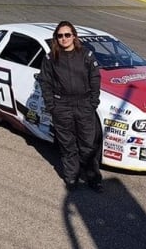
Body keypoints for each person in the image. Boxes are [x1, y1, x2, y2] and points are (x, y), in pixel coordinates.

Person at [38, 21, 103, 193]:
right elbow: (45, 82)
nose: (64, 38)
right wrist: (52, 105)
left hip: (84, 105)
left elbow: (95, 79)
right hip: (62, 106)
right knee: (68, 145)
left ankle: (93, 178)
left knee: (88, 145)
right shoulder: (51, 58)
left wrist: (93, 103)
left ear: (74, 36)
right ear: (56, 38)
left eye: (67, 35)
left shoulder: (86, 55)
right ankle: (71, 178)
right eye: (60, 36)